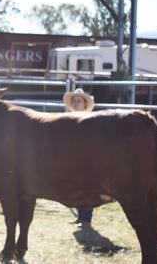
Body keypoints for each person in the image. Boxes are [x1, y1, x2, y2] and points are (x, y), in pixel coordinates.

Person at [63, 87, 95, 228]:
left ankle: (86, 219)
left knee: (86, 187)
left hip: (86, 158)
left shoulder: (90, 120)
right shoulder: (69, 119)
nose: (76, 104)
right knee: (76, 187)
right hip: (73, 158)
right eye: (74, 101)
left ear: (85, 104)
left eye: (79, 101)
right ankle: (80, 217)